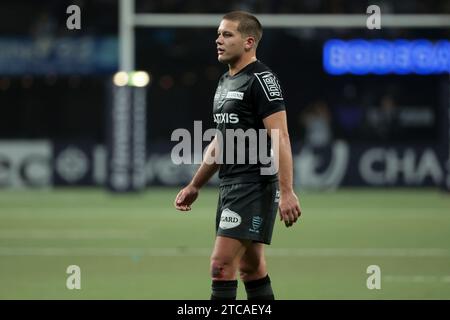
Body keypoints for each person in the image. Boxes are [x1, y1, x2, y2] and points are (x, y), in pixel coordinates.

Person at [174, 11, 301, 300]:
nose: (218, 40)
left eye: (227, 34)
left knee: (220, 266)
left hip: (253, 185)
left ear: (248, 41)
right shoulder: (224, 81)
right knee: (251, 268)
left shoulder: (261, 79)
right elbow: (222, 142)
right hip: (231, 185)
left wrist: (287, 191)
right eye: (218, 34)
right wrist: (196, 184)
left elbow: (280, 136)